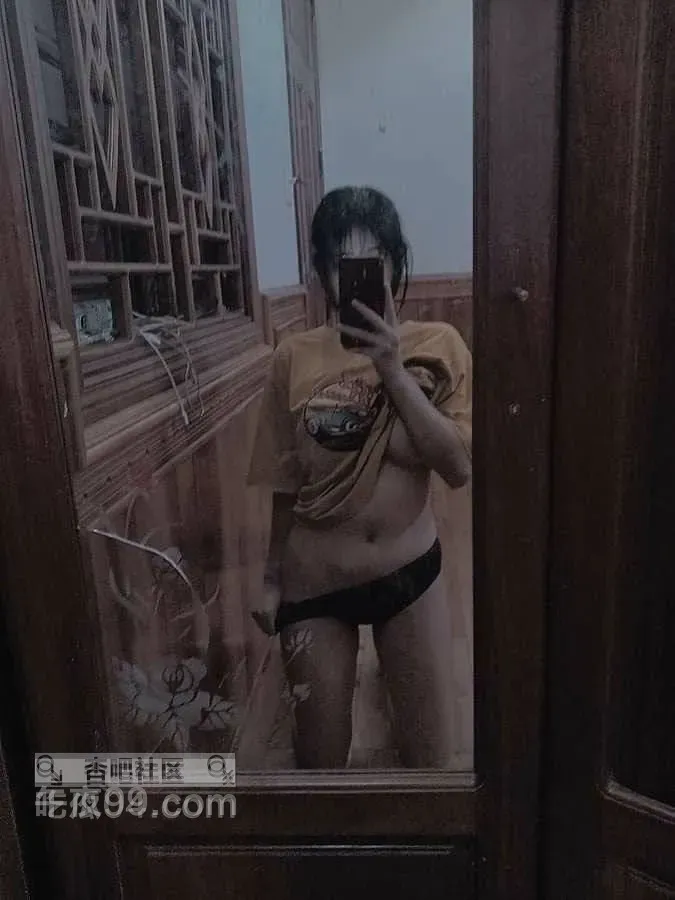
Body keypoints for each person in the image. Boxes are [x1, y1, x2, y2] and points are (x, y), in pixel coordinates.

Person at [246, 186, 472, 768]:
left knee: (432, 761)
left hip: (409, 572)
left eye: (373, 261)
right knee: (320, 762)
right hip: (315, 584)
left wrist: (390, 366)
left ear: (395, 262)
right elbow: (285, 480)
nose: (356, 277)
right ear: (322, 271)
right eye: (341, 264)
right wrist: (269, 578)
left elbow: (456, 466)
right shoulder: (293, 356)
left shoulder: (437, 345)